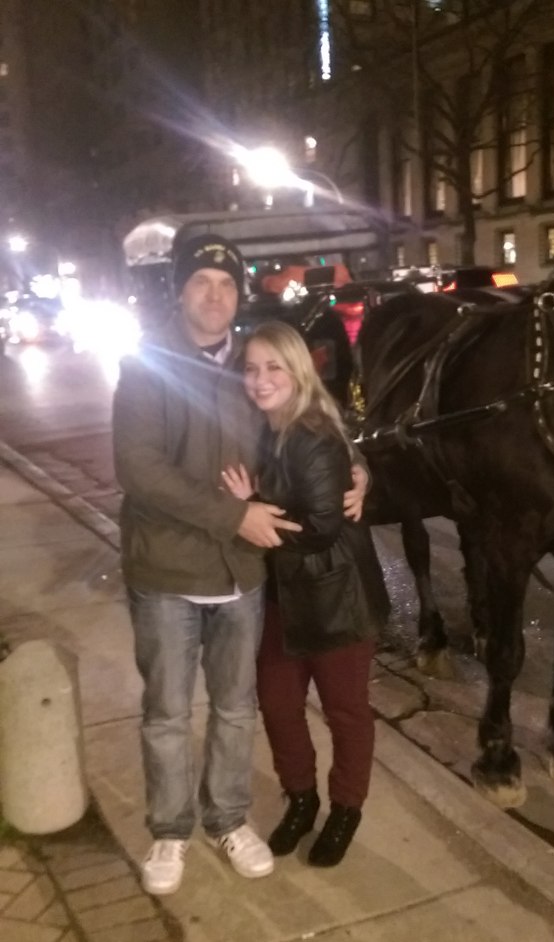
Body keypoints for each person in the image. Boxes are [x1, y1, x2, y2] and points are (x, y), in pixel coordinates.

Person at [112, 234, 368, 895]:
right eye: (202, 282)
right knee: (168, 713)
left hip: (245, 576)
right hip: (170, 573)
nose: (215, 295)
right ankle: (170, 831)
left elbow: (308, 420)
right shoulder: (147, 364)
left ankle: (227, 817)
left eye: (226, 285)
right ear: (180, 289)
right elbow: (140, 470)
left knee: (234, 709)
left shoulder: (251, 361)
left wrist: (359, 470)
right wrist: (236, 516)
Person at [222, 320, 389, 867]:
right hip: (283, 597)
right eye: (251, 368)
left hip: (335, 595)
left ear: (298, 370)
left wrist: (254, 504)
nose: (260, 378)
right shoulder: (264, 424)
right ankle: (301, 798)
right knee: (279, 705)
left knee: (345, 711)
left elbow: (320, 526)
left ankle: (345, 808)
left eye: (273, 366)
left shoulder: (310, 433)